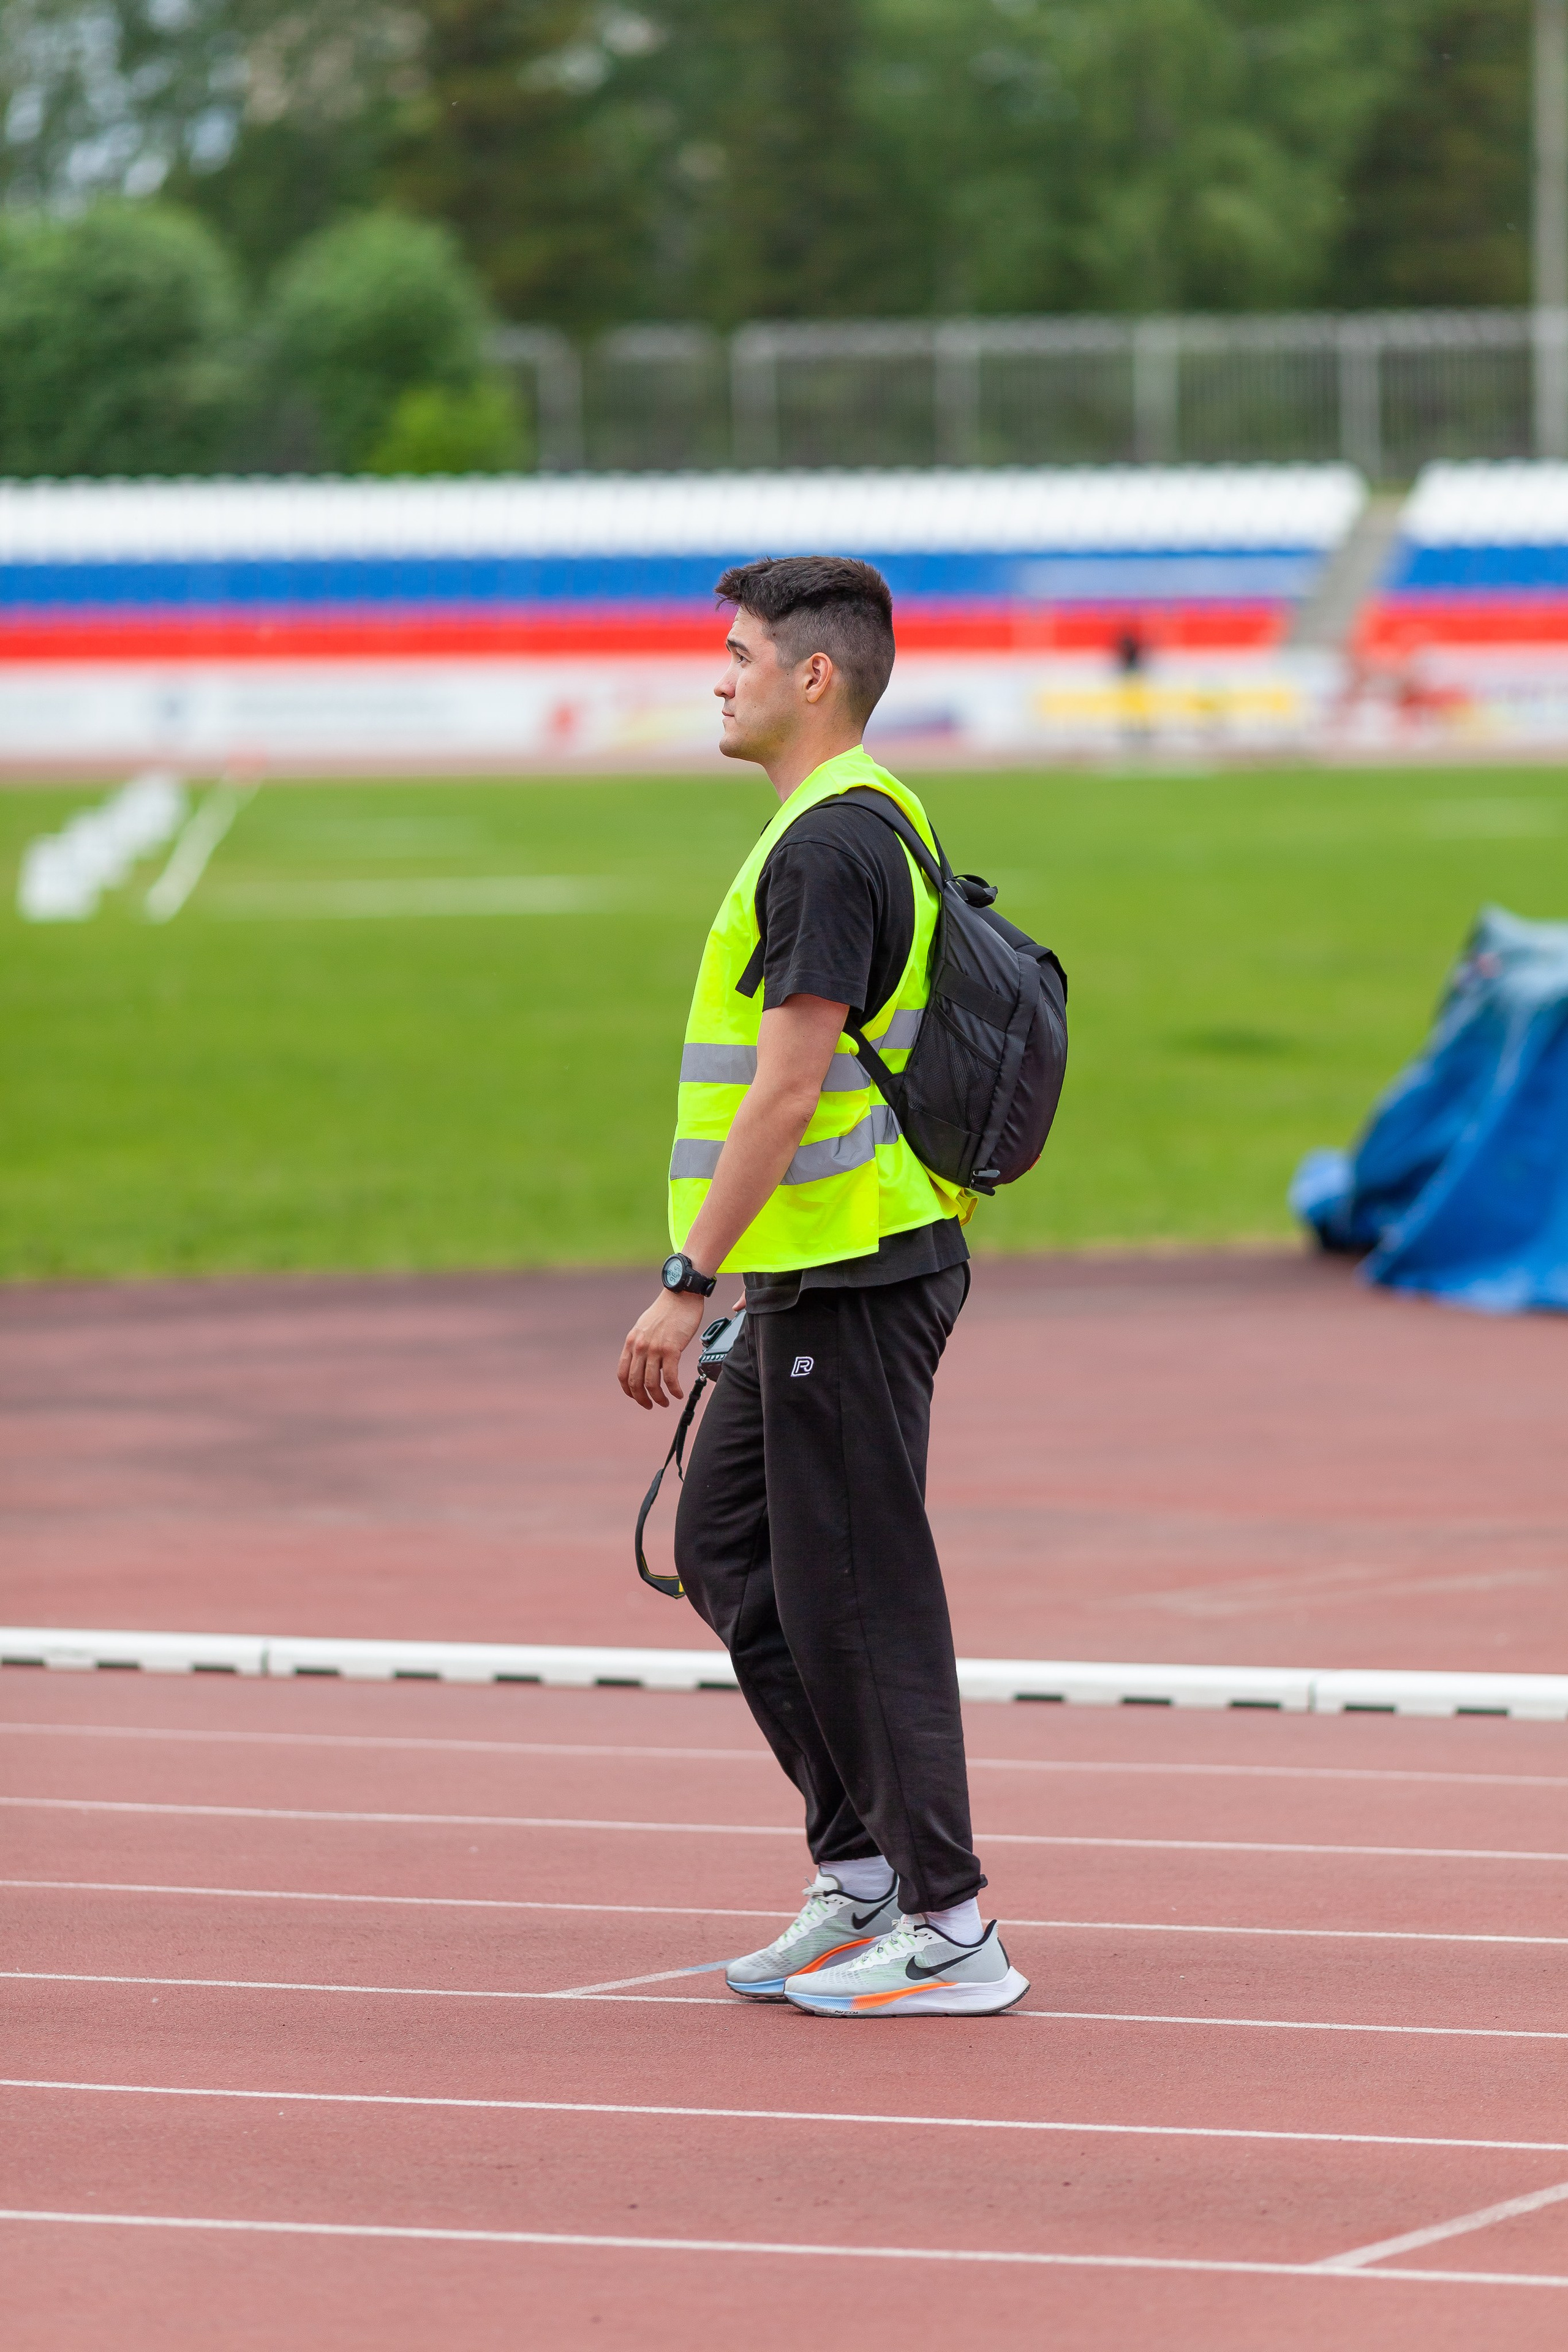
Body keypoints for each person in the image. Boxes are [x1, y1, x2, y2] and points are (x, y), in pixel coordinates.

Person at [616, 554, 1029, 2019]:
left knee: (858, 1594)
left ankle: (952, 1927)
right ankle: (859, 1871)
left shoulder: (829, 844)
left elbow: (785, 1091)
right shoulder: (837, 823)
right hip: (809, 1273)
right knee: (731, 1552)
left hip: (852, 1270)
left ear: (811, 677)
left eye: (735, 653)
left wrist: (686, 1280)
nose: (713, 676)